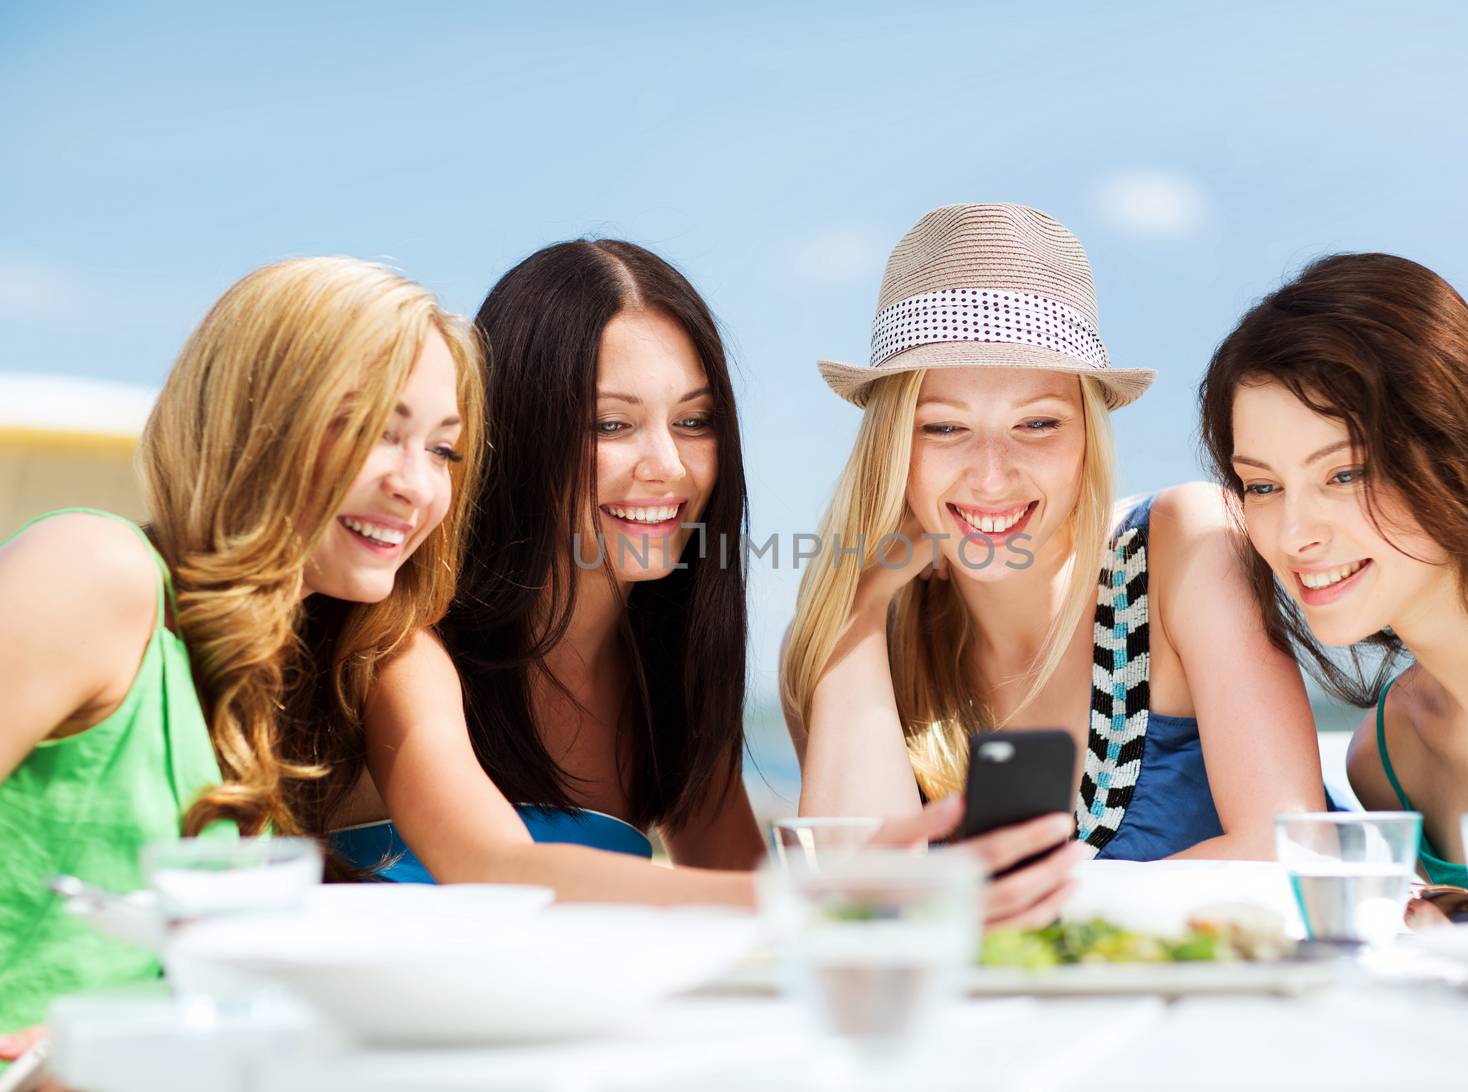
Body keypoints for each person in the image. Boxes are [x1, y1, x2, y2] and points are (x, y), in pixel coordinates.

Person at [331, 239, 1071, 918]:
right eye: (611, 426)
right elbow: (496, 867)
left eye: (694, 422)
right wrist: (824, 893)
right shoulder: (407, 646)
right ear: (518, 434)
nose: (669, 466)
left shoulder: (671, 675)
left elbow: (735, 893)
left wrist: (868, 596)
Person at [782, 204, 1323, 911]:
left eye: (1037, 424)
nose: (992, 474)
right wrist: (858, 605)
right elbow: (855, 909)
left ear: (1088, 439)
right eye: (944, 428)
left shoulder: (1184, 547)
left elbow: (1287, 850)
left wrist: (993, 909)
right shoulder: (862, 639)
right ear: (892, 450)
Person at [0, 256, 485, 1036]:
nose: (416, 485)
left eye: (442, 450)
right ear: (256, 419)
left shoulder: (255, 688)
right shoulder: (96, 572)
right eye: (370, 431)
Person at [1198, 252, 1468, 889]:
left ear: (1455, 447)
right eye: (1262, 486)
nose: (1295, 535)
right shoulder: (1387, 757)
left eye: (1344, 474)